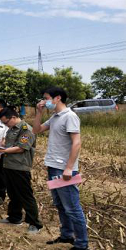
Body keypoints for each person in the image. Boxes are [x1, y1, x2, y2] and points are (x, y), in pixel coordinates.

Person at [33, 87, 88, 250]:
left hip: (64, 170)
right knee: (60, 205)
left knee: (72, 207)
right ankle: (66, 235)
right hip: (53, 167)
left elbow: (76, 143)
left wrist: (69, 168)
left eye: (47, 98)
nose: (44, 101)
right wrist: (39, 112)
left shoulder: (69, 116)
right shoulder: (55, 116)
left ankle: (82, 244)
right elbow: (36, 130)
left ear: (57, 98)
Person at [0, 107, 43, 234]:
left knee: (25, 195)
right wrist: (0, 145)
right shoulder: (12, 129)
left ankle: (34, 223)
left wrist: (1, 151)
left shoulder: (26, 129)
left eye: (6, 122)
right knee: (13, 193)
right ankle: (15, 217)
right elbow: (10, 145)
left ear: (13, 118)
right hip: (9, 165)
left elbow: (21, 148)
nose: (5, 125)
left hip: (20, 167)